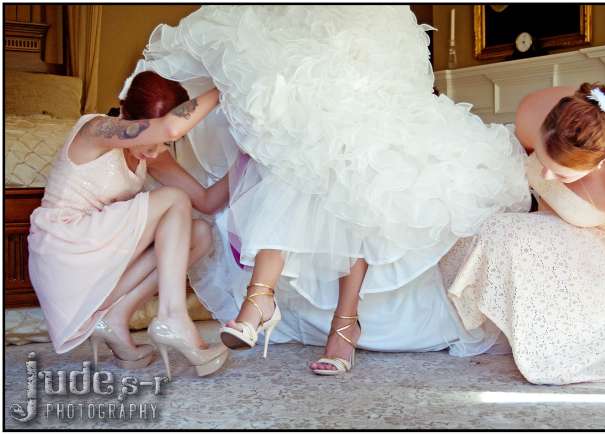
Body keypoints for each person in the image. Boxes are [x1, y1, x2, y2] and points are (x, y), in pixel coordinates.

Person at [128, 5, 531, 375]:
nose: (157, 149)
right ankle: (282, 307)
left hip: (359, 38)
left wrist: (234, 95)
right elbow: (191, 169)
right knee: (298, 148)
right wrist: (236, 88)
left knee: (347, 156)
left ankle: (309, 315)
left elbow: (177, 144)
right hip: (297, 33)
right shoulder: (127, 140)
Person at [28, 71, 229, 379]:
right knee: (173, 199)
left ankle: (115, 318)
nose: (153, 151)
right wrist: (224, 88)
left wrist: (251, 159)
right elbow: (172, 127)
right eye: (150, 141)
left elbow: (206, 201)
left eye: (161, 145)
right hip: (64, 255)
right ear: (124, 113)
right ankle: (174, 317)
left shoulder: (153, 151)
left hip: (96, 262)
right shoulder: (96, 130)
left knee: (199, 234)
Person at [439, 83, 605, 384]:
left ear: (602, 162)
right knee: (466, 222)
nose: (546, 176)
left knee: (505, 233)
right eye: (543, 160)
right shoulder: (535, 113)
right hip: (550, 219)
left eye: (560, 174)